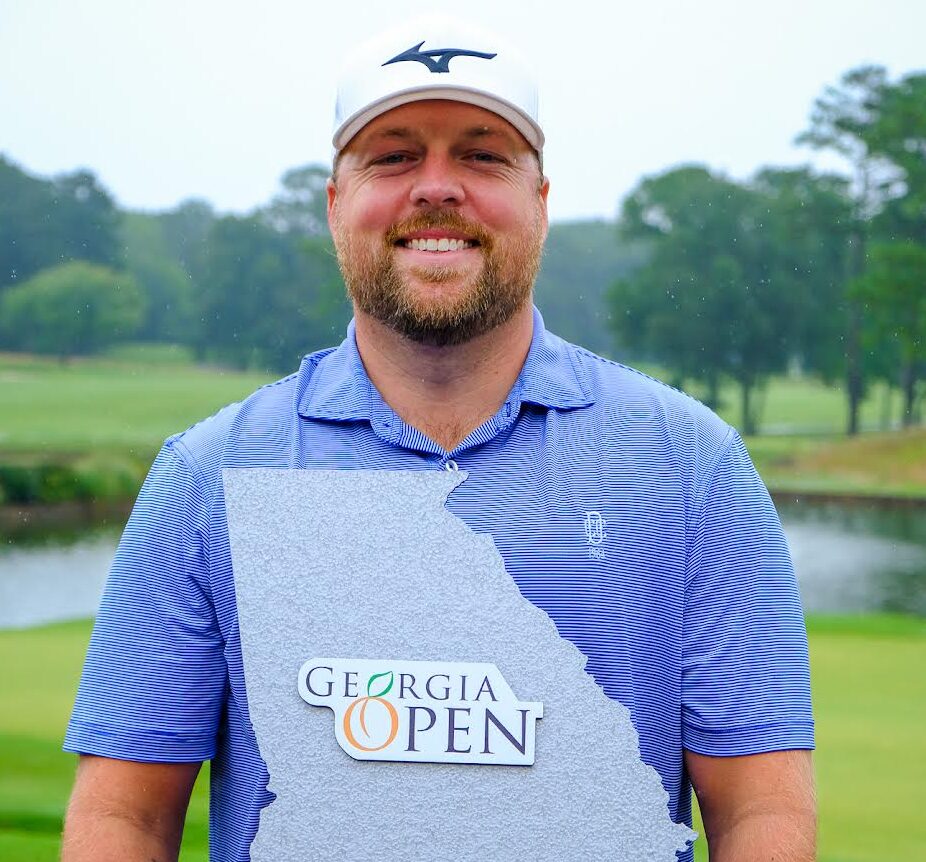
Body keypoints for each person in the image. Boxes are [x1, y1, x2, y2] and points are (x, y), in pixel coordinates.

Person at [62, 16, 815, 862]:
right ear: (336, 204)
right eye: (393, 156)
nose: (437, 188)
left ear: (541, 201)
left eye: (483, 155)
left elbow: (759, 813)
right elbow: (125, 819)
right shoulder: (210, 475)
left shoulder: (690, 466)